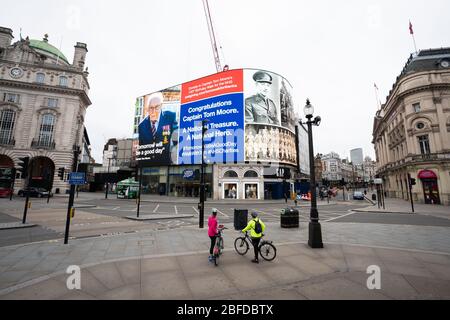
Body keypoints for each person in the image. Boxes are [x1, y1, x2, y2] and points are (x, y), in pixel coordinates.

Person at [138, 92, 178, 164]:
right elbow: (141, 150)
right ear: (148, 109)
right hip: (147, 165)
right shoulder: (142, 126)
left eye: (156, 107)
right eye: (151, 108)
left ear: (161, 106)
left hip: (165, 163)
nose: (153, 111)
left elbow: (176, 139)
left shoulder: (170, 117)